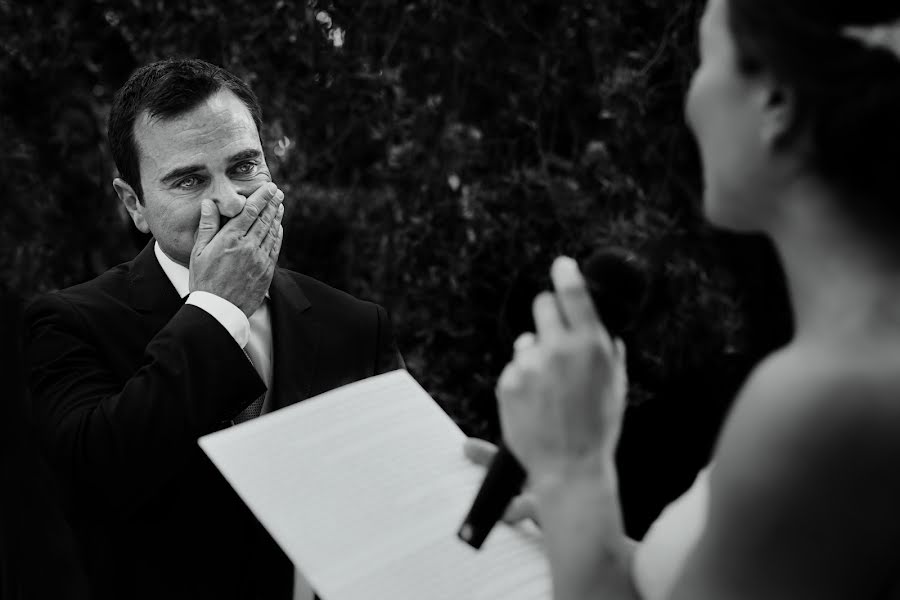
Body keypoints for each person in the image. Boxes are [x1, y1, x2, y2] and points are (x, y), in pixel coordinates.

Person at [467, 0, 900, 598]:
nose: (691, 101)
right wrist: (573, 518)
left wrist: (576, 467)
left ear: (776, 103)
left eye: (705, 60)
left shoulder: (824, 404)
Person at [25, 58, 403, 600]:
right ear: (134, 203)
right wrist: (216, 311)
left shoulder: (355, 325)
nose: (229, 201)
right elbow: (97, 480)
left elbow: (394, 500)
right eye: (189, 179)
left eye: (245, 167)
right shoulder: (70, 323)